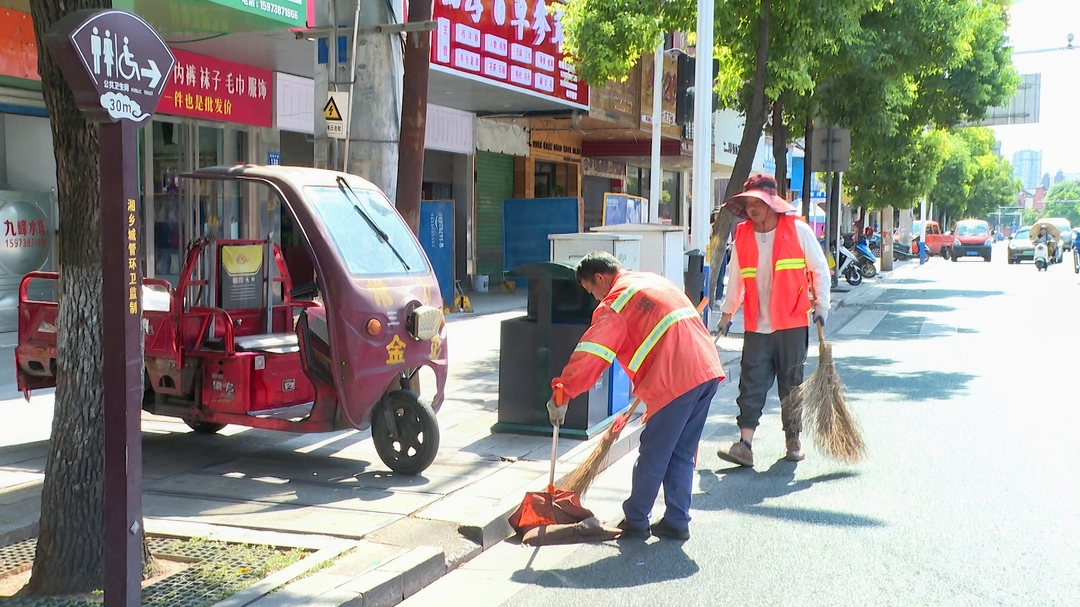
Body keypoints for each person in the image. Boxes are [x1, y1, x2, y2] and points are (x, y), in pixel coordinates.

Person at [547, 251, 725, 540]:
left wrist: (564, 391)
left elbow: (593, 353)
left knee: (654, 452)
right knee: (680, 451)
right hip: (706, 369)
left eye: (592, 290)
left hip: (676, 377)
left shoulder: (616, 302)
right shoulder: (649, 280)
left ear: (601, 278)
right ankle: (677, 519)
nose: (595, 298)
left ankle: (637, 519)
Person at [714, 174, 830, 466]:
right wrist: (728, 312)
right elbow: (737, 278)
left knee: (791, 385)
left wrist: (822, 304)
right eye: (748, 202)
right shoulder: (742, 235)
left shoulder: (798, 231)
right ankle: (744, 445)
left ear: (772, 203)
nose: (752, 207)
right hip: (757, 324)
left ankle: (793, 440)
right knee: (751, 383)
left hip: (791, 322)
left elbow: (819, 269)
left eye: (757, 202)